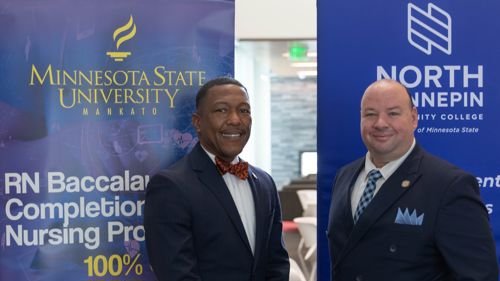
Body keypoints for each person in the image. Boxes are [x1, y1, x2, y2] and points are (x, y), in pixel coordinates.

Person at [327, 79, 498, 281]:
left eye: (393, 113)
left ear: (414, 118)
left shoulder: (450, 186)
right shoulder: (344, 176)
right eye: (370, 114)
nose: (380, 123)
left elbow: (478, 276)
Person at [144, 77, 290, 281]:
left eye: (244, 110)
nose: (235, 120)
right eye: (221, 110)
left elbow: (277, 263)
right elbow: (177, 275)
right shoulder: (171, 186)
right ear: (198, 123)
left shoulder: (264, 183)